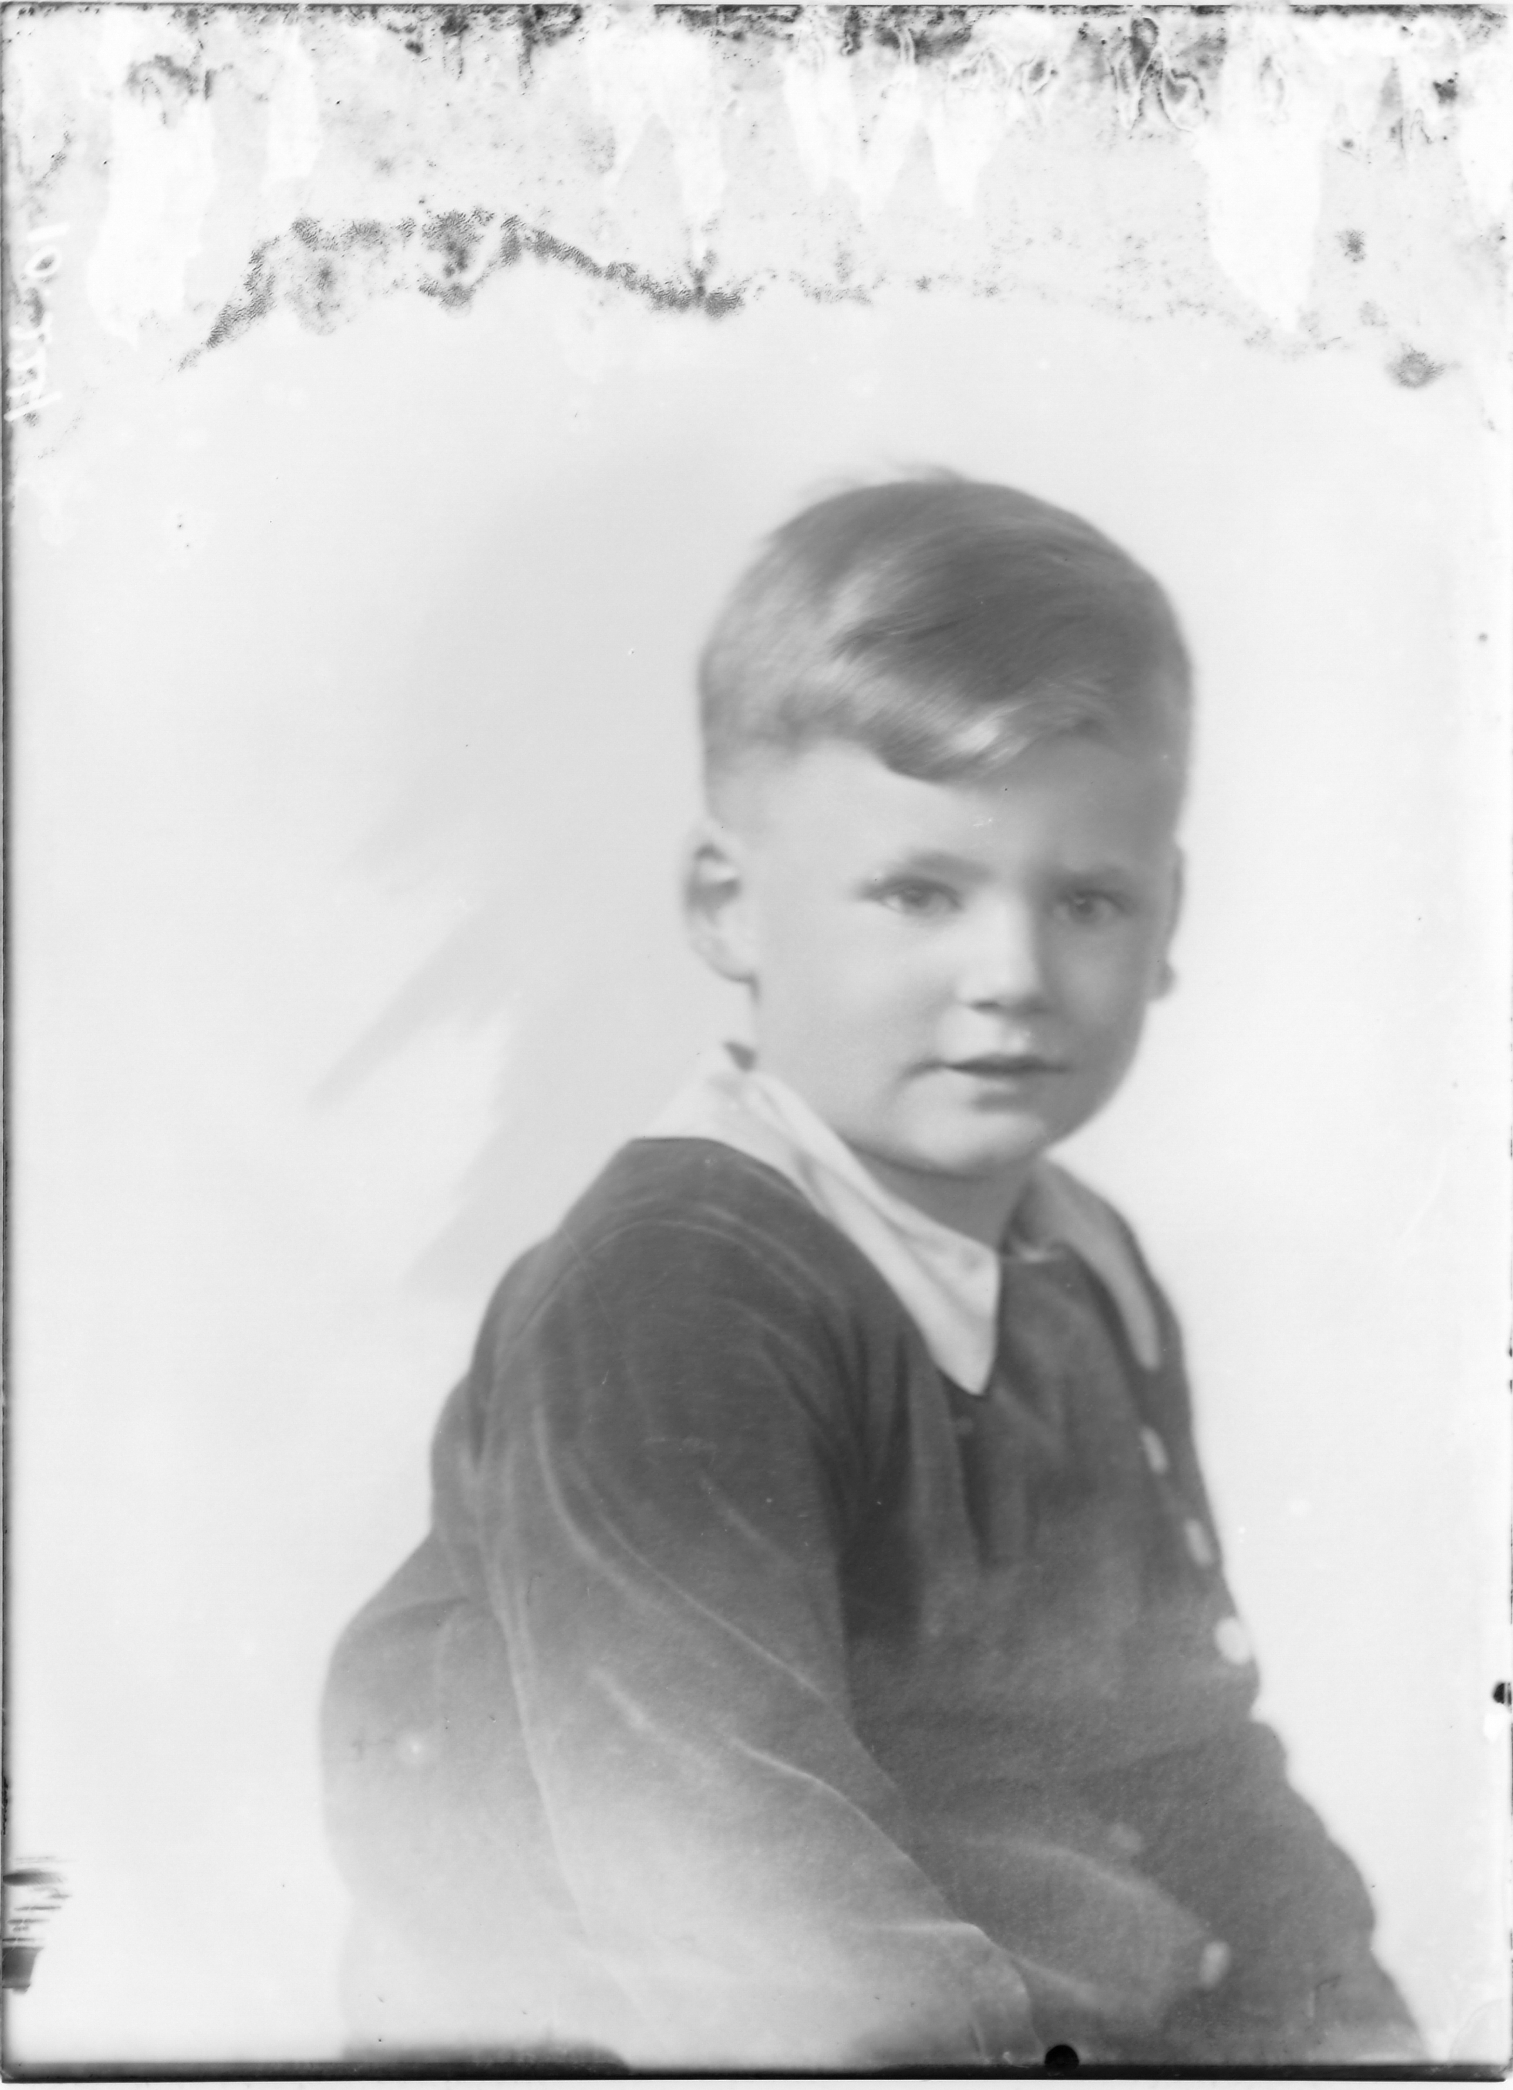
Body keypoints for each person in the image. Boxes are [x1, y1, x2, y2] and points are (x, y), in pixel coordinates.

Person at [321, 476, 1422, 2070]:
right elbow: (726, 1889)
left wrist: (1352, 2039)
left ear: (1167, 916)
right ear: (727, 904)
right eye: (919, 892)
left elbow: (1188, 1752)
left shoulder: (1084, 1262)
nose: (1011, 974)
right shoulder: (674, 1293)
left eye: (1085, 899)